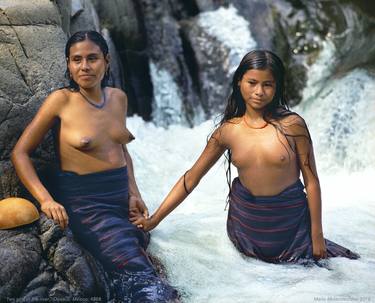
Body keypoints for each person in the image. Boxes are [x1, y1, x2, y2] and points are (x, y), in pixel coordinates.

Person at [131, 50, 359, 264]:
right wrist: (154, 220)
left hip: (292, 229)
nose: (259, 91)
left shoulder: (293, 126)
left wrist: (317, 234)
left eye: (267, 85)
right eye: (252, 83)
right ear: (239, 82)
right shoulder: (228, 131)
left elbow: (312, 181)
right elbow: (191, 179)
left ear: (277, 87)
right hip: (247, 230)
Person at [11, 30, 178, 302]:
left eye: (92, 58)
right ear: (68, 64)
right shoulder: (61, 101)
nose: (84, 66)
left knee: (139, 265)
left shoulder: (117, 98)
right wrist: (45, 200)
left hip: (120, 201)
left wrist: (133, 193)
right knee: (143, 278)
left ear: (107, 61)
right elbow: (20, 152)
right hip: (88, 208)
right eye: (76, 59)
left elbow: (121, 148)